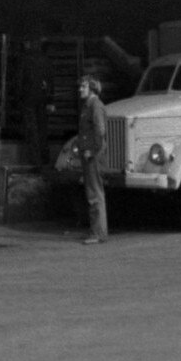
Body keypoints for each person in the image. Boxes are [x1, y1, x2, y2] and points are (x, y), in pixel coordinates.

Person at [75, 75, 112, 244]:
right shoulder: (88, 106)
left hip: (93, 156)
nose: (80, 89)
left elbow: (100, 131)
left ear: (91, 88)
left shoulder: (95, 106)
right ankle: (95, 231)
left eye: (83, 87)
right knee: (92, 191)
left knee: (95, 193)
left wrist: (92, 150)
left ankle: (99, 233)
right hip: (88, 154)